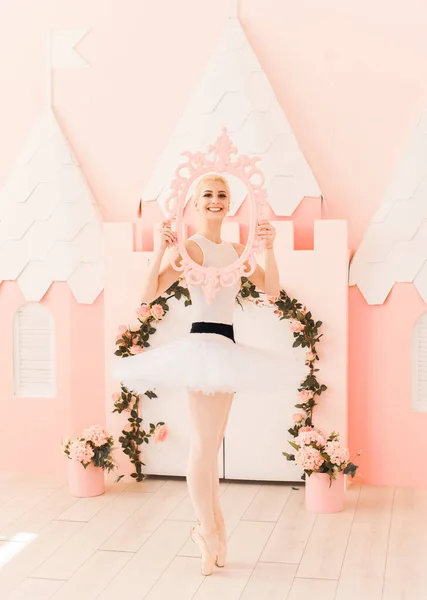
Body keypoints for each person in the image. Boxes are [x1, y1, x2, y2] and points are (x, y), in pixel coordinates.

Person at [111, 174, 306, 576]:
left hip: (227, 348)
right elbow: (147, 294)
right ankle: (207, 529)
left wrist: (269, 248)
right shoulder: (189, 249)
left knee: (211, 442)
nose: (215, 200)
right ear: (195, 204)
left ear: (229, 203)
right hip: (202, 348)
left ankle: (215, 528)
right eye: (208, 195)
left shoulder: (236, 250)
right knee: (202, 445)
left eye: (222, 195)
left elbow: (270, 288)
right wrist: (160, 249)